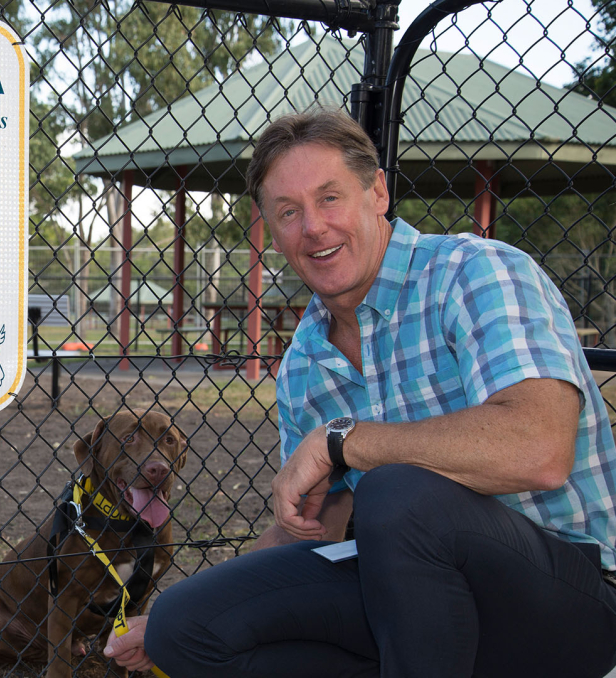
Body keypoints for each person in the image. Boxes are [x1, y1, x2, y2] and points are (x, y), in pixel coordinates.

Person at [103, 107, 616, 677]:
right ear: (271, 231)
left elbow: (539, 450)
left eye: (329, 198)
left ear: (377, 192)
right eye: (288, 212)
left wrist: (342, 440)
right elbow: (321, 522)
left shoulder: (476, 272)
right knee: (186, 622)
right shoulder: (304, 359)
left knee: (399, 496)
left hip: (568, 595)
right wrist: (187, 608)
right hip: (408, 599)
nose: (313, 228)